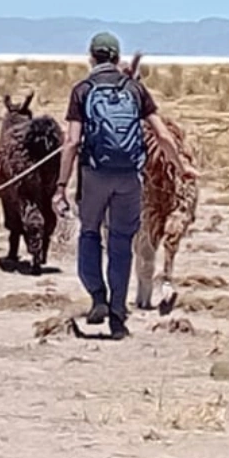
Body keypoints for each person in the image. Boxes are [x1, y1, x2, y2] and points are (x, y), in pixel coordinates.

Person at [54, 31, 196, 339]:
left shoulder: (82, 90)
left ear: (91, 57)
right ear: (117, 59)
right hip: (130, 177)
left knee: (90, 235)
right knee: (121, 242)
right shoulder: (136, 90)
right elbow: (163, 136)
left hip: (94, 176)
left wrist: (61, 185)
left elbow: (72, 142)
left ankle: (98, 298)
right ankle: (118, 312)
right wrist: (181, 167)